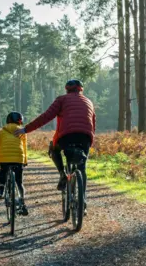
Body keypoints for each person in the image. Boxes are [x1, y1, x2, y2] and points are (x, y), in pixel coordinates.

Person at [14, 79, 95, 209]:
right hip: (85, 137)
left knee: (54, 148)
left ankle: (62, 173)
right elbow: (93, 123)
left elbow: (46, 116)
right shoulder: (89, 102)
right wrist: (89, 141)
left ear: (67, 89)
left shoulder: (61, 99)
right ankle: (82, 200)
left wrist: (25, 129)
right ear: (81, 89)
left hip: (66, 137)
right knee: (82, 167)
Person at [0, 111, 29, 216]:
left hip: (4, 158)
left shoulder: (2, 132)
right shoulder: (22, 131)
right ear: (20, 121)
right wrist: (25, 161)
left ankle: (1, 189)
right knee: (19, 182)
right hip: (18, 158)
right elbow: (24, 147)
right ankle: (22, 203)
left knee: (3, 171)